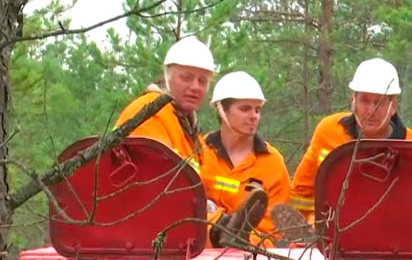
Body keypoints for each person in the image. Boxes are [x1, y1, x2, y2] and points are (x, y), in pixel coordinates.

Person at [285, 58, 412, 222]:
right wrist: (311, 222)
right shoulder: (328, 131)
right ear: (353, 101)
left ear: (393, 106)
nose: (371, 111)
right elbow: (301, 194)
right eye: (365, 100)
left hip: (389, 240)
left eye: (379, 102)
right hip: (331, 239)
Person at [198, 71, 293, 248]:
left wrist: (247, 240)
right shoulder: (199, 152)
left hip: (251, 259)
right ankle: (226, 228)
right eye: (245, 109)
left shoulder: (272, 162)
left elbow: (275, 231)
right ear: (221, 110)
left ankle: (234, 234)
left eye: (257, 110)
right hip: (201, 256)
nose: (254, 116)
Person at [113, 35, 217, 173]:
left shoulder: (192, 136)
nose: (195, 87)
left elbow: (207, 181)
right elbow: (154, 181)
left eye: (202, 81)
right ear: (166, 77)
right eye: (187, 78)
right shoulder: (148, 113)